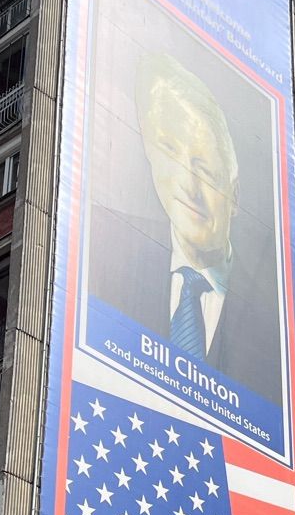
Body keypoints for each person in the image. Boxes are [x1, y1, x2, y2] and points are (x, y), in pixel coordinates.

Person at [88, 50, 282, 405]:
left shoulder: (276, 317)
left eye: (206, 171)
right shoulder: (100, 244)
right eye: (170, 153)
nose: (188, 187)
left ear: (235, 196)